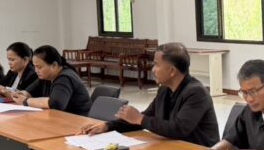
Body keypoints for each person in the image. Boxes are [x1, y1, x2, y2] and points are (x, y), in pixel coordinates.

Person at [81, 43, 219, 144]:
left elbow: (178, 129)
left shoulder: (196, 92)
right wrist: (107, 126)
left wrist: (140, 118)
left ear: (172, 71)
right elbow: (145, 118)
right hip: (172, 148)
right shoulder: (164, 89)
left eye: (156, 64)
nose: (153, 70)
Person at [9, 45, 91, 116]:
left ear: (54, 65)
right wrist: (19, 94)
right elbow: (29, 92)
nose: (36, 70)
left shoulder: (65, 78)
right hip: (60, 118)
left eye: (39, 67)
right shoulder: (46, 76)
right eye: (35, 66)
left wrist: (26, 101)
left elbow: (56, 103)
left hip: (79, 120)